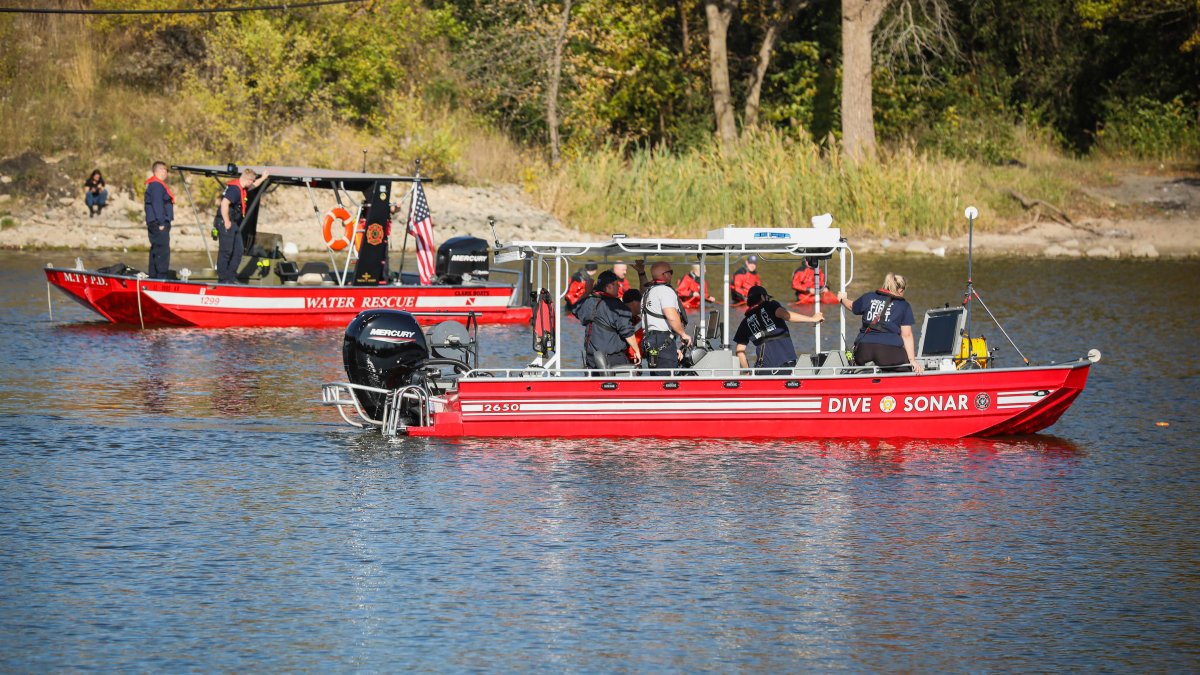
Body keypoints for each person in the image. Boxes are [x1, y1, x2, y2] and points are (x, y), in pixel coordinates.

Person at [837, 272, 924, 374]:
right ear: (900, 290)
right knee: (907, 370)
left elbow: (852, 306)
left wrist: (842, 299)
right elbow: (907, 335)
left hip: (864, 350)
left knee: (869, 364)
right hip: (888, 352)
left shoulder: (868, 297)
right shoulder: (903, 305)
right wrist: (912, 360)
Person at [734, 285, 823, 373]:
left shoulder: (744, 323)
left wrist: (747, 372)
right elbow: (786, 315)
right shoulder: (770, 305)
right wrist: (812, 319)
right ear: (762, 297)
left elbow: (739, 351)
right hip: (784, 366)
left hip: (761, 370)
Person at [573, 270, 641, 372]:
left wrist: (586, 292)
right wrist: (637, 350)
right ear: (609, 286)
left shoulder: (588, 302)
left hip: (592, 359)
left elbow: (575, 310)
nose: (619, 287)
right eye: (616, 284)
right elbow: (627, 331)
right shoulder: (617, 306)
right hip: (613, 359)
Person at [216, 167, 269, 283]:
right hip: (226, 221)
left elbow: (254, 185)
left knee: (239, 250)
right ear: (248, 179)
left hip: (233, 223)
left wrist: (264, 178)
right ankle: (223, 278)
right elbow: (224, 203)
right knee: (226, 251)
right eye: (252, 180)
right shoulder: (234, 189)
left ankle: (231, 275)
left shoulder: (242, 187)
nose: (252, 183)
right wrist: (226, 221)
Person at [641, 262, 693, 371]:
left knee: (657, 377)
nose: (671, 275)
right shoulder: (665, 290)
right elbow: (671, 316)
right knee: (667, 381)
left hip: (649, 341)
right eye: (671, 272)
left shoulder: (648, 292)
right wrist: (683, 334)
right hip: (662, 340)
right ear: (665, 274)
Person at [143, 161, 174, 279]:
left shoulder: (156, 184)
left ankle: (154, 276)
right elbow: (157, 204)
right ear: (159, 170)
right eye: (165, 170)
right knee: (162, 251)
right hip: (158, 223)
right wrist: (161, 223)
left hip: (156, 222)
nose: (166, 173)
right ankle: (160, 277)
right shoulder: (156, 185)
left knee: (156, 249)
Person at [622, 288, 644, 364]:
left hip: (636, 361)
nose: (642, 305)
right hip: (624, 362)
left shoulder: (638, 319)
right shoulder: (622, 319)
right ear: (635, 303)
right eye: (641, 302)